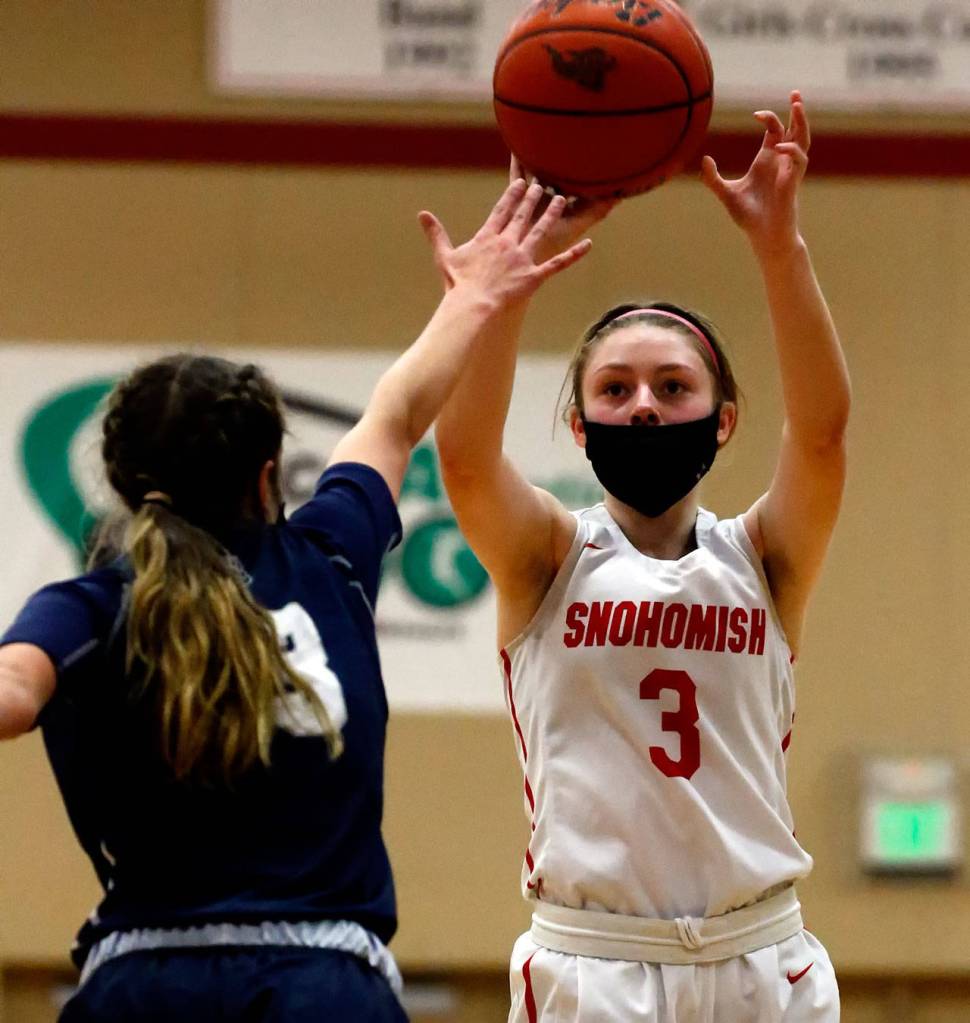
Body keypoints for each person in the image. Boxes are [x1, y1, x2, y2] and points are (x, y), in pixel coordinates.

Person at [0, 180, 592, 1023]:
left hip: (143, 988)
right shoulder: (329, 556)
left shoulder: (87, 607)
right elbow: (398, 410)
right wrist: (475, 294)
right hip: (322, 988)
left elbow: (12, 696)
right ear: (270, 474)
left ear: (126, 487)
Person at [431, 92, 849, 1020]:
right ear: (578, 424)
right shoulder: (547, 554)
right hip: (597, 963)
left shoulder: (765, 557)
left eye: (672, 385)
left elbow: (822, 436)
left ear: (724, 417)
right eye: (615, 389)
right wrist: (504, 287)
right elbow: (462, 457)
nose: (646, 406)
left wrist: (780, 248)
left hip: (761, 957)